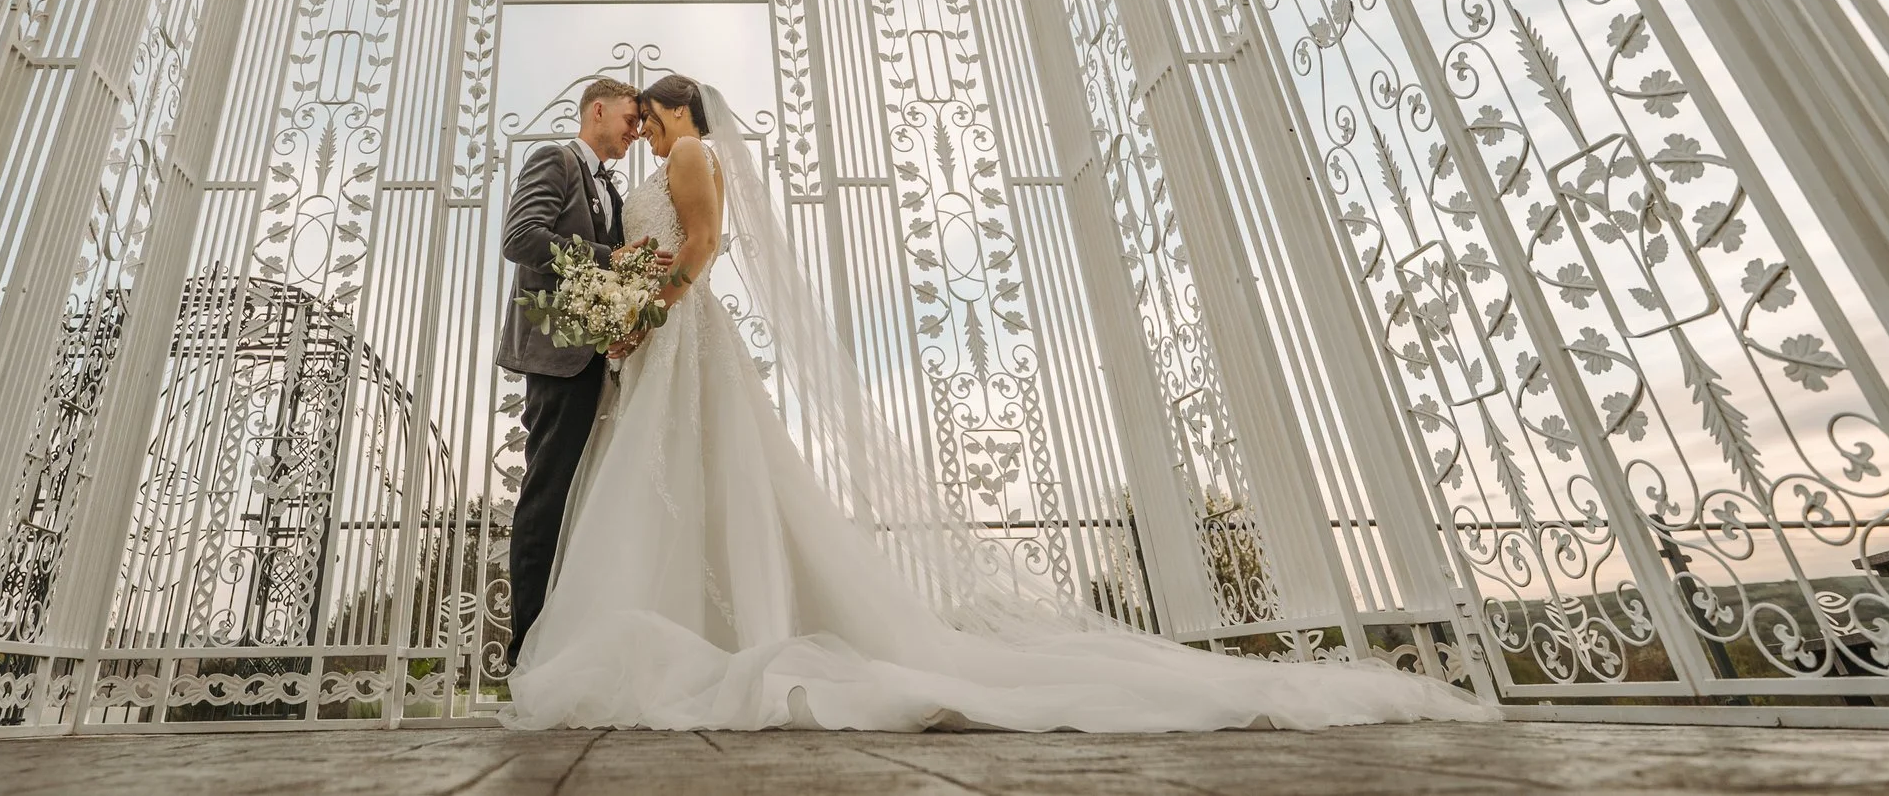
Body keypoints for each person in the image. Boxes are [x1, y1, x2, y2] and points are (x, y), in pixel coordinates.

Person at [502, 72, 1497, 733]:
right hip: (636, 347)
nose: (637, 127)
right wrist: (628, 303)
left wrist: (655, 300)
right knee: (667, 487)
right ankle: (672, 625)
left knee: (687, 480)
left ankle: (683, 636)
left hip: (676, 333)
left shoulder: (685, 159)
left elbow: (698, 247)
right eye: (627, 117)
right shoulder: (593, 170)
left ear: (672, 113)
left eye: (647, 114)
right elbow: (571, 247)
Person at [495, 75, 638, 666]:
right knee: (549, 494)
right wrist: (610, 259)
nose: (635, 131)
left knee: (588, 500)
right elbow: (522, 237)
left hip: (597, 358)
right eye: (630, 119)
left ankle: (571, 647)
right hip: (557, 355)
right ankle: (525, 652)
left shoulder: (613, 191)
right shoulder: (554, 160)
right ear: (596, 111)